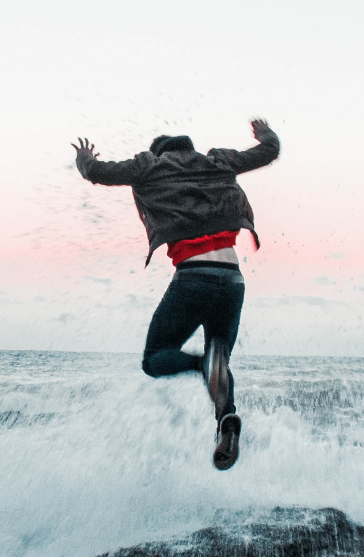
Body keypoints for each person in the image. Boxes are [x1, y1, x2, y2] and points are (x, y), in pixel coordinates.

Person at [72, 119, 281, 470]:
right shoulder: (217, 161)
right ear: (187, 147)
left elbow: (98, 172)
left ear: (160, 154)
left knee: (155, 358)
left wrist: (84, 158)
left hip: (194, 277)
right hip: (232, 280)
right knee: (221, 359)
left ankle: (201, 365)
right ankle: (226, 420)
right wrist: (264, 133)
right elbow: (268, 151)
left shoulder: (149, 167)